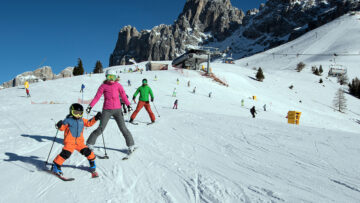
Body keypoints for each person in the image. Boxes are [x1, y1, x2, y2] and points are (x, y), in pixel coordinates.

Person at [86, 69, 135, 154]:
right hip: (106, 110)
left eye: (113, 77)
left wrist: (128, 105)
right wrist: (90, 106)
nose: (111, 79)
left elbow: (123, 95)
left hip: (118, 110)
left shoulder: (118, 85)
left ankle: (131, 145)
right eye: (109, 77)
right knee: (101, 128)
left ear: (116, 77)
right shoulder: (103, 86)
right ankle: (89, 143)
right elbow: (97, 97)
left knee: (123, 128)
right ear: (106, 77)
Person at [51, 103, 101, 176]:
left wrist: (96, 118)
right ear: (71, 112)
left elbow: (89, 123)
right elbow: (62, 128)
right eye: (76, 113)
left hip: (79, 143)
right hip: (69, 143)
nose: (78, 115)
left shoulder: (82, 120)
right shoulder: (68, 120)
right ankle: (56, 165)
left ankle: (92, 165)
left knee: (88, 152)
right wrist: (59, 125)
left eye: (80, 113)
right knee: (65, 154)